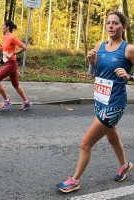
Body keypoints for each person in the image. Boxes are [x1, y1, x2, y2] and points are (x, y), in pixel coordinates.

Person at [57, 11, 134, 193]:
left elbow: (130, 76)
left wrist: (130, 76)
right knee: (111, 136)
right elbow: (93, 75)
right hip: (100, 100)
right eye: (108, 23)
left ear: (123, 27)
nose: (110, 26)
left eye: (115, 23)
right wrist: (91, 62)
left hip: (114, 104)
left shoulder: (128, 49)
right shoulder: (99, 46)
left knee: (85, 143)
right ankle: (124, 165)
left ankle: (75, 181)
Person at [0, 20, 32, 111]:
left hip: (11, 64)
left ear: (7, 27)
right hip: (9, 63)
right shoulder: (4, 37)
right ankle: (26, 102)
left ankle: (7, 101)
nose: (1, 27)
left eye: (3, 25)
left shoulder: (12, 37)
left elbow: (24, 47)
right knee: (15, 84)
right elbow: (3, 50)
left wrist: (13, 53)